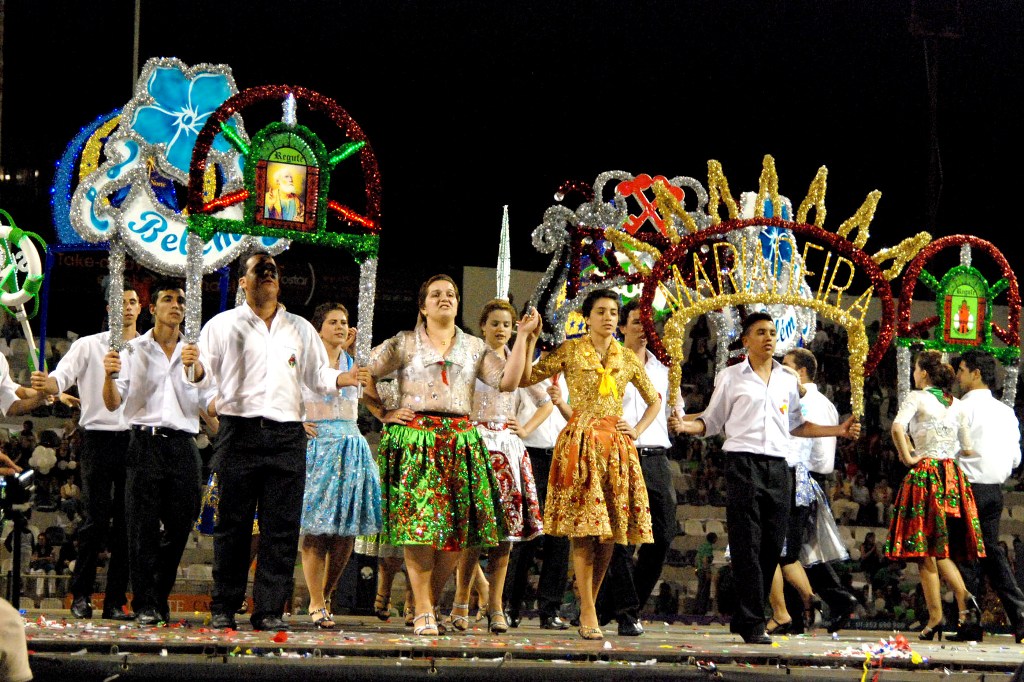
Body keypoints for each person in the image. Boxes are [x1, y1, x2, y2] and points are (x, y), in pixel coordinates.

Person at [188, 251, 364, 631]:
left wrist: (341, 379)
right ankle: (224, 604)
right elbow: (199, 375)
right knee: (232, 525)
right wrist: (201, 380)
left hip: (287, 433)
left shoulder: (300, 328)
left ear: (279, 282)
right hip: (239, 431)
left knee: (281, 528)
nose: (268, 275)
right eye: (259, 270)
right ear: (243, 282)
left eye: (273, 271)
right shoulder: (221, 326)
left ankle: (268, 608)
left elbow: (317, 375)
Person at [674, 312, 860, 644]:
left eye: (772, 332)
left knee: (773, 547)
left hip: (780, 467)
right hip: (743, 464)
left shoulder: (788, 379)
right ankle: (751, 621)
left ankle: (748, 617)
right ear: (746, 340)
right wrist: (688, 425)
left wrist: (838, 430)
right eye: (760, 332)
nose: (768, 338)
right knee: (747, 544)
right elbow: (712, 421)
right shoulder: (731, 377)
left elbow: (797, 426)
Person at [363, 274, 532, 636]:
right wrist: (383, 412)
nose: (445, 299)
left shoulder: (473, 347)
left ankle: (430, 601)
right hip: (417, 440)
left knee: (457, 534)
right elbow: (364, 371)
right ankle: (423, 607)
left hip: (460, 440)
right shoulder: (404, 343)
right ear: (422, 306)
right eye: (436, 294)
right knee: (421, 528)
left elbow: (508, 382)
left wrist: (525, 340)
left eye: (451, 294)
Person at [510, 288, 660, 640]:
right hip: (580, 442)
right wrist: (527, 339)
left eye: (612, 312)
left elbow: (654, 401)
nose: (608, 317)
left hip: (617, 447)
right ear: (588, 317)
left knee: (610, 533)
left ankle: (587, 604)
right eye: (601, 311)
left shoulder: (626, 357)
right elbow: (525, 378)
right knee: (584, 528)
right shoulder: (571, 349)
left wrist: (635, 429)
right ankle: (589, 610)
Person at [102, 279, 218, 625]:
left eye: (181, 301)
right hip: (144, 442)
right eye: (168, 299)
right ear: (153, 308)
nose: (176, 305)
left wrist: (199, 372)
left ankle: (158, 595)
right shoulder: (131, 349)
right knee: (142, 528)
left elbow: (209, 404)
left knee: (182, 525)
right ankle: (146, 604)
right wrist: (108, 376)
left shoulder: (196, 354)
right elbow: (112, 404)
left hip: (184, 444)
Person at [30, 288, 141, 621]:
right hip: (96, 438)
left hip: (134, 440)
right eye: (121, 302)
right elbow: (59, 380)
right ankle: (81, 595)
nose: (128, 308)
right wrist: (46, 384)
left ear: (140, 308)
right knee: (94, 520)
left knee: (126, 524)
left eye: (133, 302)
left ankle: (115, 600)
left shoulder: (146, 348)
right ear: (110, 308)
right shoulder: (88, 345)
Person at [449, 298, 550, 634]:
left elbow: (541, 398)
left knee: (505, 534)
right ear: (482, 326)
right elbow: (504, 382)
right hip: (478, 443)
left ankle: (495, 606)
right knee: (475, 531)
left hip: (507, 446)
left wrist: (526, 427)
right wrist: (525, 339)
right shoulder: (476, 355)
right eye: (495, 323)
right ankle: (461, 602)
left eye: (507, 324)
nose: (501, 330)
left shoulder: (515, 355)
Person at [595, 299, 683, 636]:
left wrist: (683, 422)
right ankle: (628, 613)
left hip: (657, 457)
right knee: (619, 537)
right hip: (617, 454)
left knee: (661, 535)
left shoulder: (664, 370)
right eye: (635, 323)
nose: (644, 330)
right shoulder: (606, 363)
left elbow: (675, 413)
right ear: (621, 327)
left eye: (648, 324)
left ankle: (614, 606)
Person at [884, 349, 984, 641]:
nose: (914, 374)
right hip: (951, 476)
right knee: (939, 549)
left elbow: (896, 427)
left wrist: (909, 456)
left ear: (924, 373)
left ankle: (937, 616)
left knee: (924, 550)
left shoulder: (917, 397)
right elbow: (966, 447)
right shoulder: (958, 405)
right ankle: (964, 598)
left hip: (926, 473)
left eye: (916, 369)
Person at [298, 302, 382, 629]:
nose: (339, 326)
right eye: (332, 321)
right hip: (319, 444)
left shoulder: (353, 362)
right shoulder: (305, 358)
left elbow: (371, 395)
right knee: (317, 530)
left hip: (351, 443)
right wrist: (295, 422)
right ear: (318, 328)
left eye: (344, 322)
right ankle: (316, 602)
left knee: (345, 533)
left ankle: (326, 593)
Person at [776, 348, 859, 634]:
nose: (780, 369)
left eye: (785, 365)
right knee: (801, 551)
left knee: (786, 552)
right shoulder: (825, 402)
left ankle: (806, 611)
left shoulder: (804, 402)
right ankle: (832, 601)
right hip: (813, 480)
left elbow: (800, 444)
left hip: (800, 478)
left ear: (800, 371)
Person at [950, 350, 1024, 643]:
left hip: (969, 486)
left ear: (976, 373)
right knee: (990, 552)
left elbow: (949, 448)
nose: (958, 376)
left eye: (962, 370)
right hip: (995, 489)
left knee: (968, 557)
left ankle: (970, 623)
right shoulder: (1005, 411)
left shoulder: (960, 408)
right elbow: (1016, 458)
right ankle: (1018, 615)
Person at [504, 349, 572, 630]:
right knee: (526, 536)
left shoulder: (578, 375)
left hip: (564, 455)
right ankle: (510, 606)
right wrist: (520, 430)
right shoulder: (527, 370)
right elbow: (510, 408)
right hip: (530, 454)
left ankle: (550, 609)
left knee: (560, 538)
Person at [694, 532, 717, 616]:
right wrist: (707, 571)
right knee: (705, 591)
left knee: (699, 590)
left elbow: (697, 559)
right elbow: (705, 560)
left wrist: (696, 569)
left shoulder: (702, 546)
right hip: (704, 571)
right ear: (713, 539)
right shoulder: (708, 547)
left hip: (700, 570)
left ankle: (696, 609)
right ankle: (702, 610)